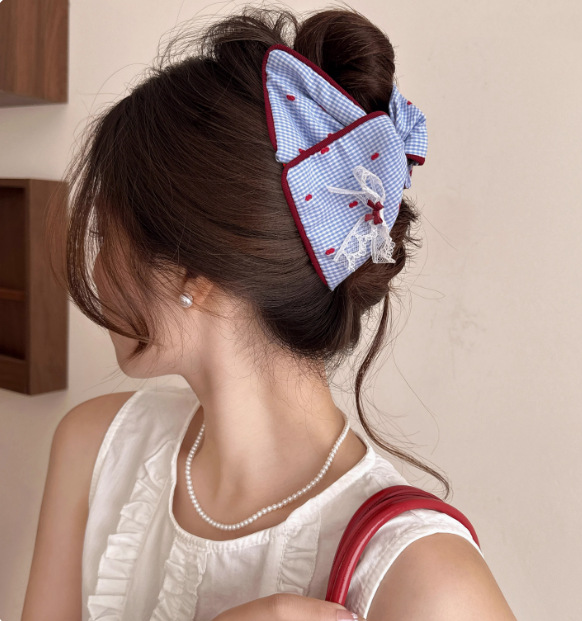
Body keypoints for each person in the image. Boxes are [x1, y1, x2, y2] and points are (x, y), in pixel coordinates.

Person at [21, 5, 517, 621]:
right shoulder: (97, 447)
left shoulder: (425, 579)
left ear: (193, 272)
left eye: (107, 236)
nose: (95, 271)